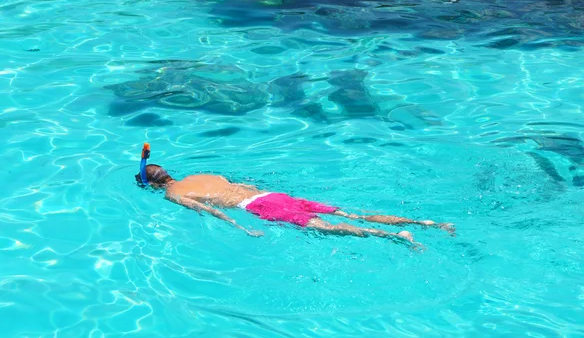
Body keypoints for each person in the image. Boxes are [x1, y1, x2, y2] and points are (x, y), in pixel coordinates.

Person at [135, 144, 454, 244]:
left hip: (257, 207)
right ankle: (426, 223)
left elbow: (214, 212)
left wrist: (242, 227)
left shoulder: (173, 194)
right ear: (168, 170)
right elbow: (233, 184)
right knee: (349, 214)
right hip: (275, 194)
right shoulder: (203, 174)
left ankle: (395, 236)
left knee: (327, 229)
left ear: (153, 184)